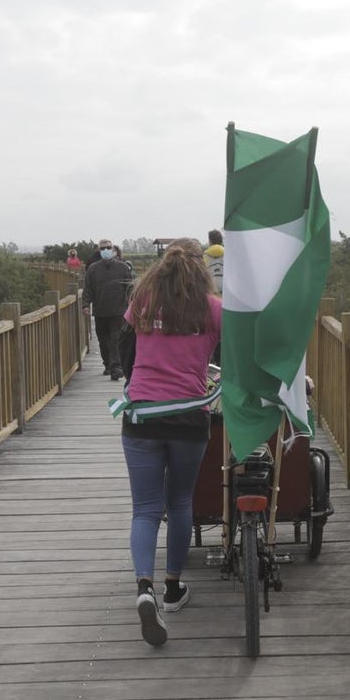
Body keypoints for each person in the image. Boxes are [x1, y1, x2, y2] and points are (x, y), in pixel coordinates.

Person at [118, 238, 222, 646]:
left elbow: (125, 344)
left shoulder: (143, 298)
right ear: (201, 272)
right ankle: (173, 588)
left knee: (145, 509)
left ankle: (144, 588)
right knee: (180, 502)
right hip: (189, 416)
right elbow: (239, 353)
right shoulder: (213, 309)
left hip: (141, 415)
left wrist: (133, 382)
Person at [84, 240, 133, 379]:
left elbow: (130, 288)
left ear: (113, 249)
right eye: (103, 248)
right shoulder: (93, 269)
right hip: (100, 310)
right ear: (99, 251)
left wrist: (131, 304)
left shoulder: (123, 268)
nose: (106, 250)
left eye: (108, 247)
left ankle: (116, 367)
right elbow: (87, 289)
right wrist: (86, 304)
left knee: (116, 338)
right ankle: (107, 364)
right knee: (103, 339)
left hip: (118, 310)